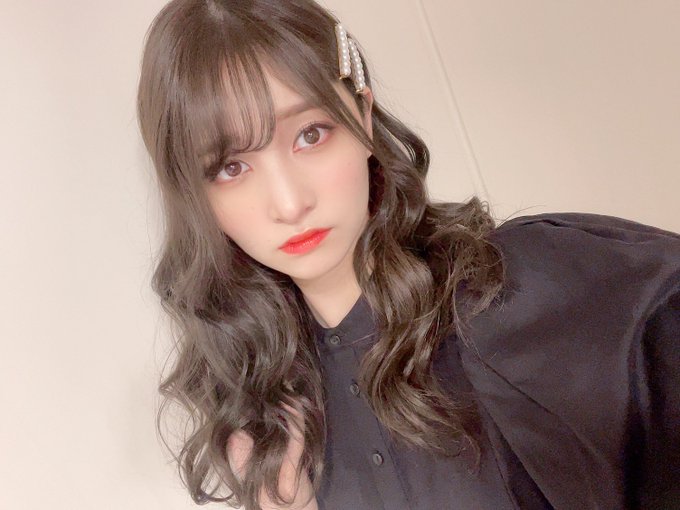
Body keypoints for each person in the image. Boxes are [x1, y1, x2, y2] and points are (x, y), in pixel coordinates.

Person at [136, 1, 680, 509]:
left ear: (363, 115)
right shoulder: (269, 427)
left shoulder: (522, 289)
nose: (289, 203)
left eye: (311, 135)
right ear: (195, 196)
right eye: (231, 167)